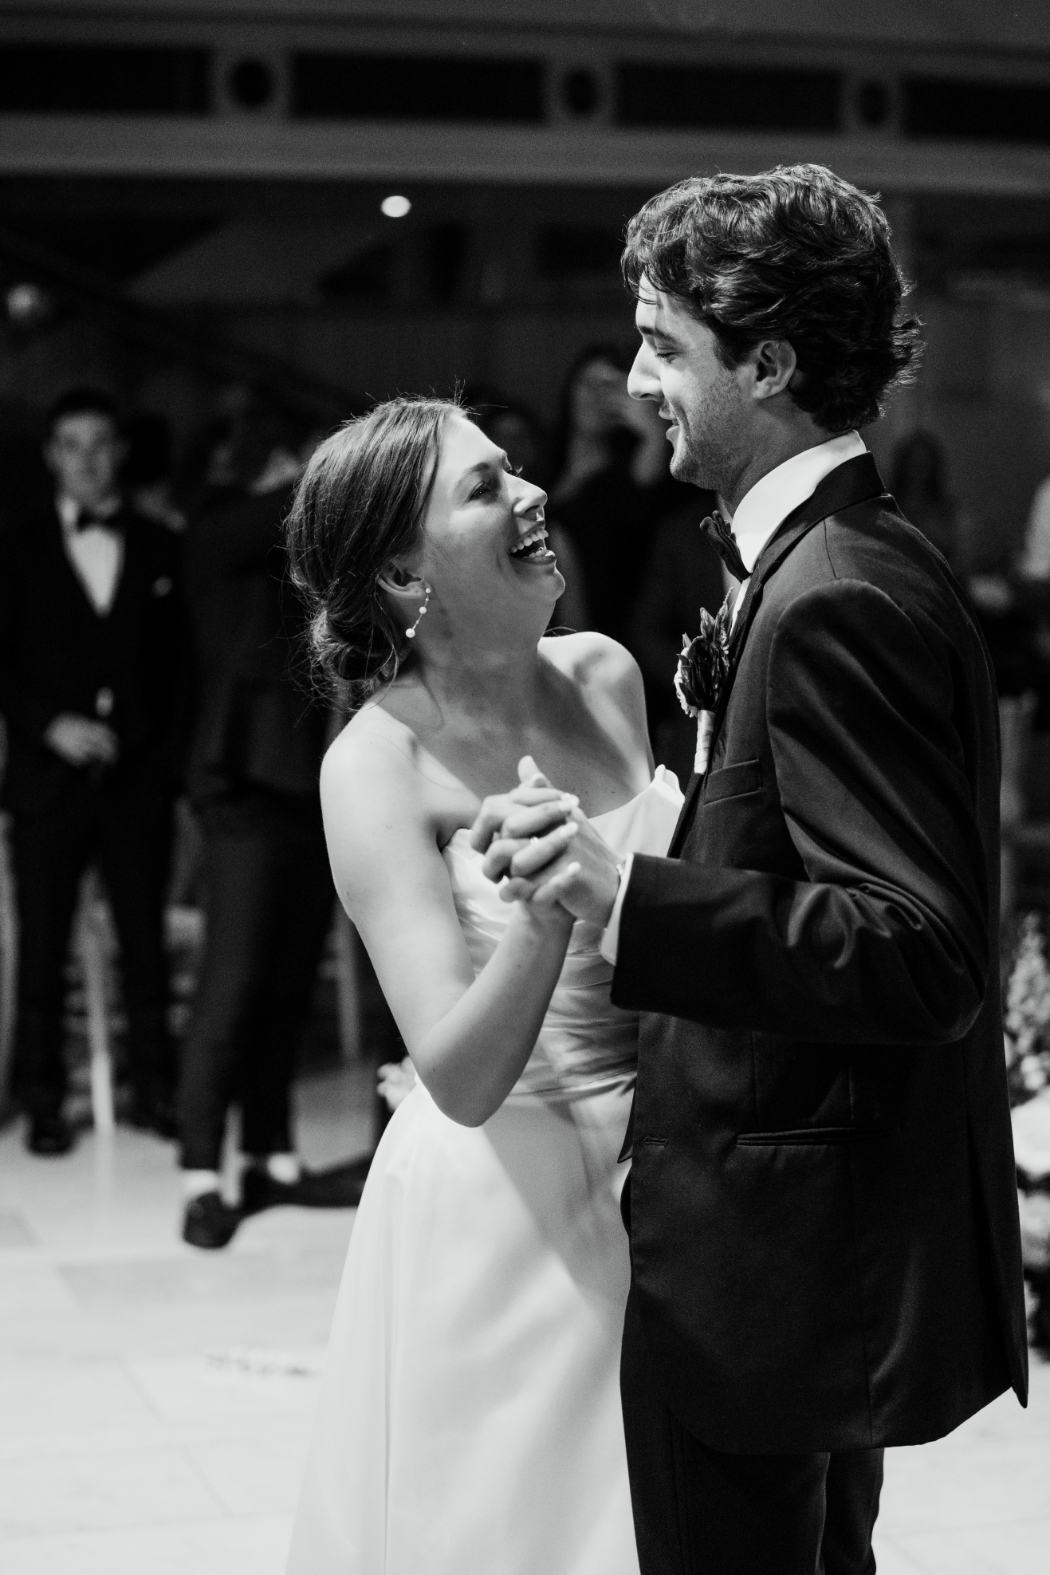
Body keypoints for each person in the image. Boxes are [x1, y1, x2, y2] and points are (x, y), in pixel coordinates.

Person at [475, 165, 1029, 1575]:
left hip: (777, 1263)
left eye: (664, 345)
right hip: (784, 1242)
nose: (638, 381)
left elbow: (919, 949)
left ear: (765, 358)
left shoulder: (837, 587)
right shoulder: (807, 557)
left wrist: (623, 891)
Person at [283, 396, 682, 1573]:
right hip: (505, 1200)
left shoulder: (607, 676)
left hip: (666, 1160)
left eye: (513, 468)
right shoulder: (375, 765)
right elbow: (452, 1074)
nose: (531, 493)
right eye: (484, 487)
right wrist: (547, 917)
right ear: (404, 573)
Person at [177, 423, 367, 1250]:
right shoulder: (219, 542)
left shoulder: (298, 574)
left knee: (288, 983)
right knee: (234, 983)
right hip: (245, 793)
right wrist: (298, 478)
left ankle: (269, 1152)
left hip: (305, 789)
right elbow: (226, 532)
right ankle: (199, 1172)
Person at [0, 387, 188, 1154]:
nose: (86, 458)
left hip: (138, 784)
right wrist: (52, 724)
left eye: (99, 442)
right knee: (43, 950)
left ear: (119, 451)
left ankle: (155, 1092)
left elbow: (182, 671)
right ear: (52, 454)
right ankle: (43, 1099)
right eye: (71, 443)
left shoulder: (160, 543)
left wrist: (165, 765)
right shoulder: (13, 547)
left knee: (145, 947)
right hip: (47, 785)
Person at [547, 344, 686, 646]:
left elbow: (643, 502)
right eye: (589, 383)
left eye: (611, 387)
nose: (598, 396)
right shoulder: (541, 468)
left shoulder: (627, 474)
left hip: (601, 629)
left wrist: (652, 431)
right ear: (570, 389)